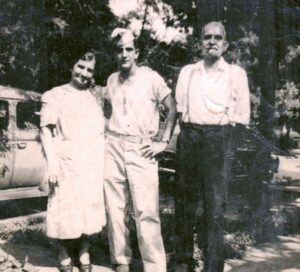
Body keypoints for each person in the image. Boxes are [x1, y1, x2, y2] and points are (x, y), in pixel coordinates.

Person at [174, 21, 250, 272]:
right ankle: (184, 262)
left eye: (218, 38)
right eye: (207, 37)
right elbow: (180, 113)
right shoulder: (188, 72)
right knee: (184, 204)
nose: (212, 41)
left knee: (215, 208)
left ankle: (213, 266)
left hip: (220, 139)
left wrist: (226, 146)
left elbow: (241, 117)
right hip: (191, 136)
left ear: (225, 45)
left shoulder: (236, 74)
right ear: (200, 42)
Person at [103, 28, 177, 272]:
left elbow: (172, 107)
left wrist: (162, 141)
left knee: (146, 211)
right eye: (119, 50)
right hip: (113, 146)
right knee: (115, 209)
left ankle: (154, 266)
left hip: (141, 148)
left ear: (137, 52)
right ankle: (121, 261)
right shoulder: (112, 80)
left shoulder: (150, 78)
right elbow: (106, 110)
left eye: (128, 49)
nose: (123, 54)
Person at [40, 51, 106, 272]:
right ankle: (63, 252)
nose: (84, 73)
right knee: (64, 207)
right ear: (72, 67)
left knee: (89, 209)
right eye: (80, 67)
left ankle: (85, 250)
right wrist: (52, 165)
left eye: (89, 70)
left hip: (92, 161)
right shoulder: (55, 95)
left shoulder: (95, 98)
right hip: (66, 161)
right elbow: (46, 131)